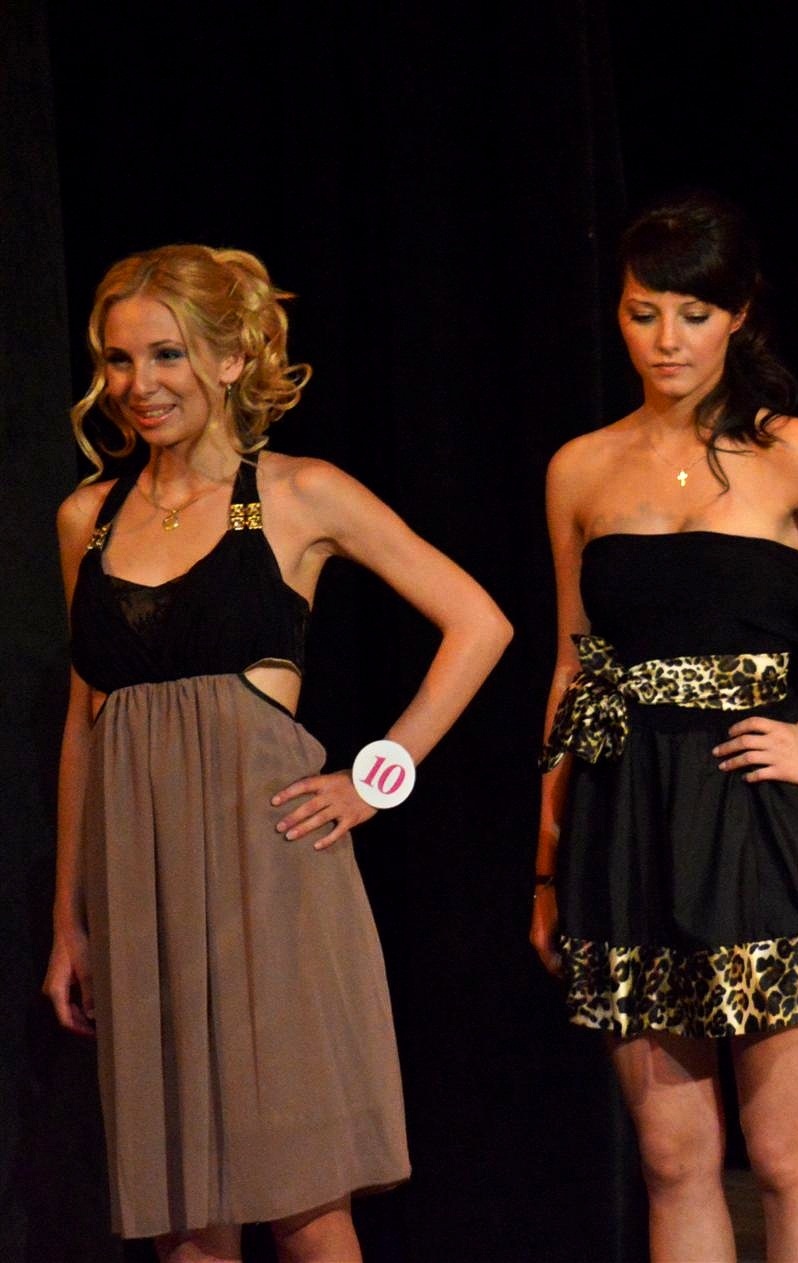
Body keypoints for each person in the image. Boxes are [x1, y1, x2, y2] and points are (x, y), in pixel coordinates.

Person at [42, 245, 512, 1260]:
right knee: (181, 1211)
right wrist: (67, 920)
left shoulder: (298, 493)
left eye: (166, 354)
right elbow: (86, 722)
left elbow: (480, 622)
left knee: (304, 1203)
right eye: (119, 360)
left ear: (227, 358)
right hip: (139, 887)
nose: (138, 384)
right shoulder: (90, 516)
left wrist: (376, 778)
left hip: (268, 880)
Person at [529, 190, 798, 1263]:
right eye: (644, 313)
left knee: (784, 1151)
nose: (667, 339)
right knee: (674, 1158)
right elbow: (573, 667)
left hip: (758, 817)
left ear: (738, 317)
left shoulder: (791, 451)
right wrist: (548, 856)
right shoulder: (579, 467)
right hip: (625, 821)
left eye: (693, 313)